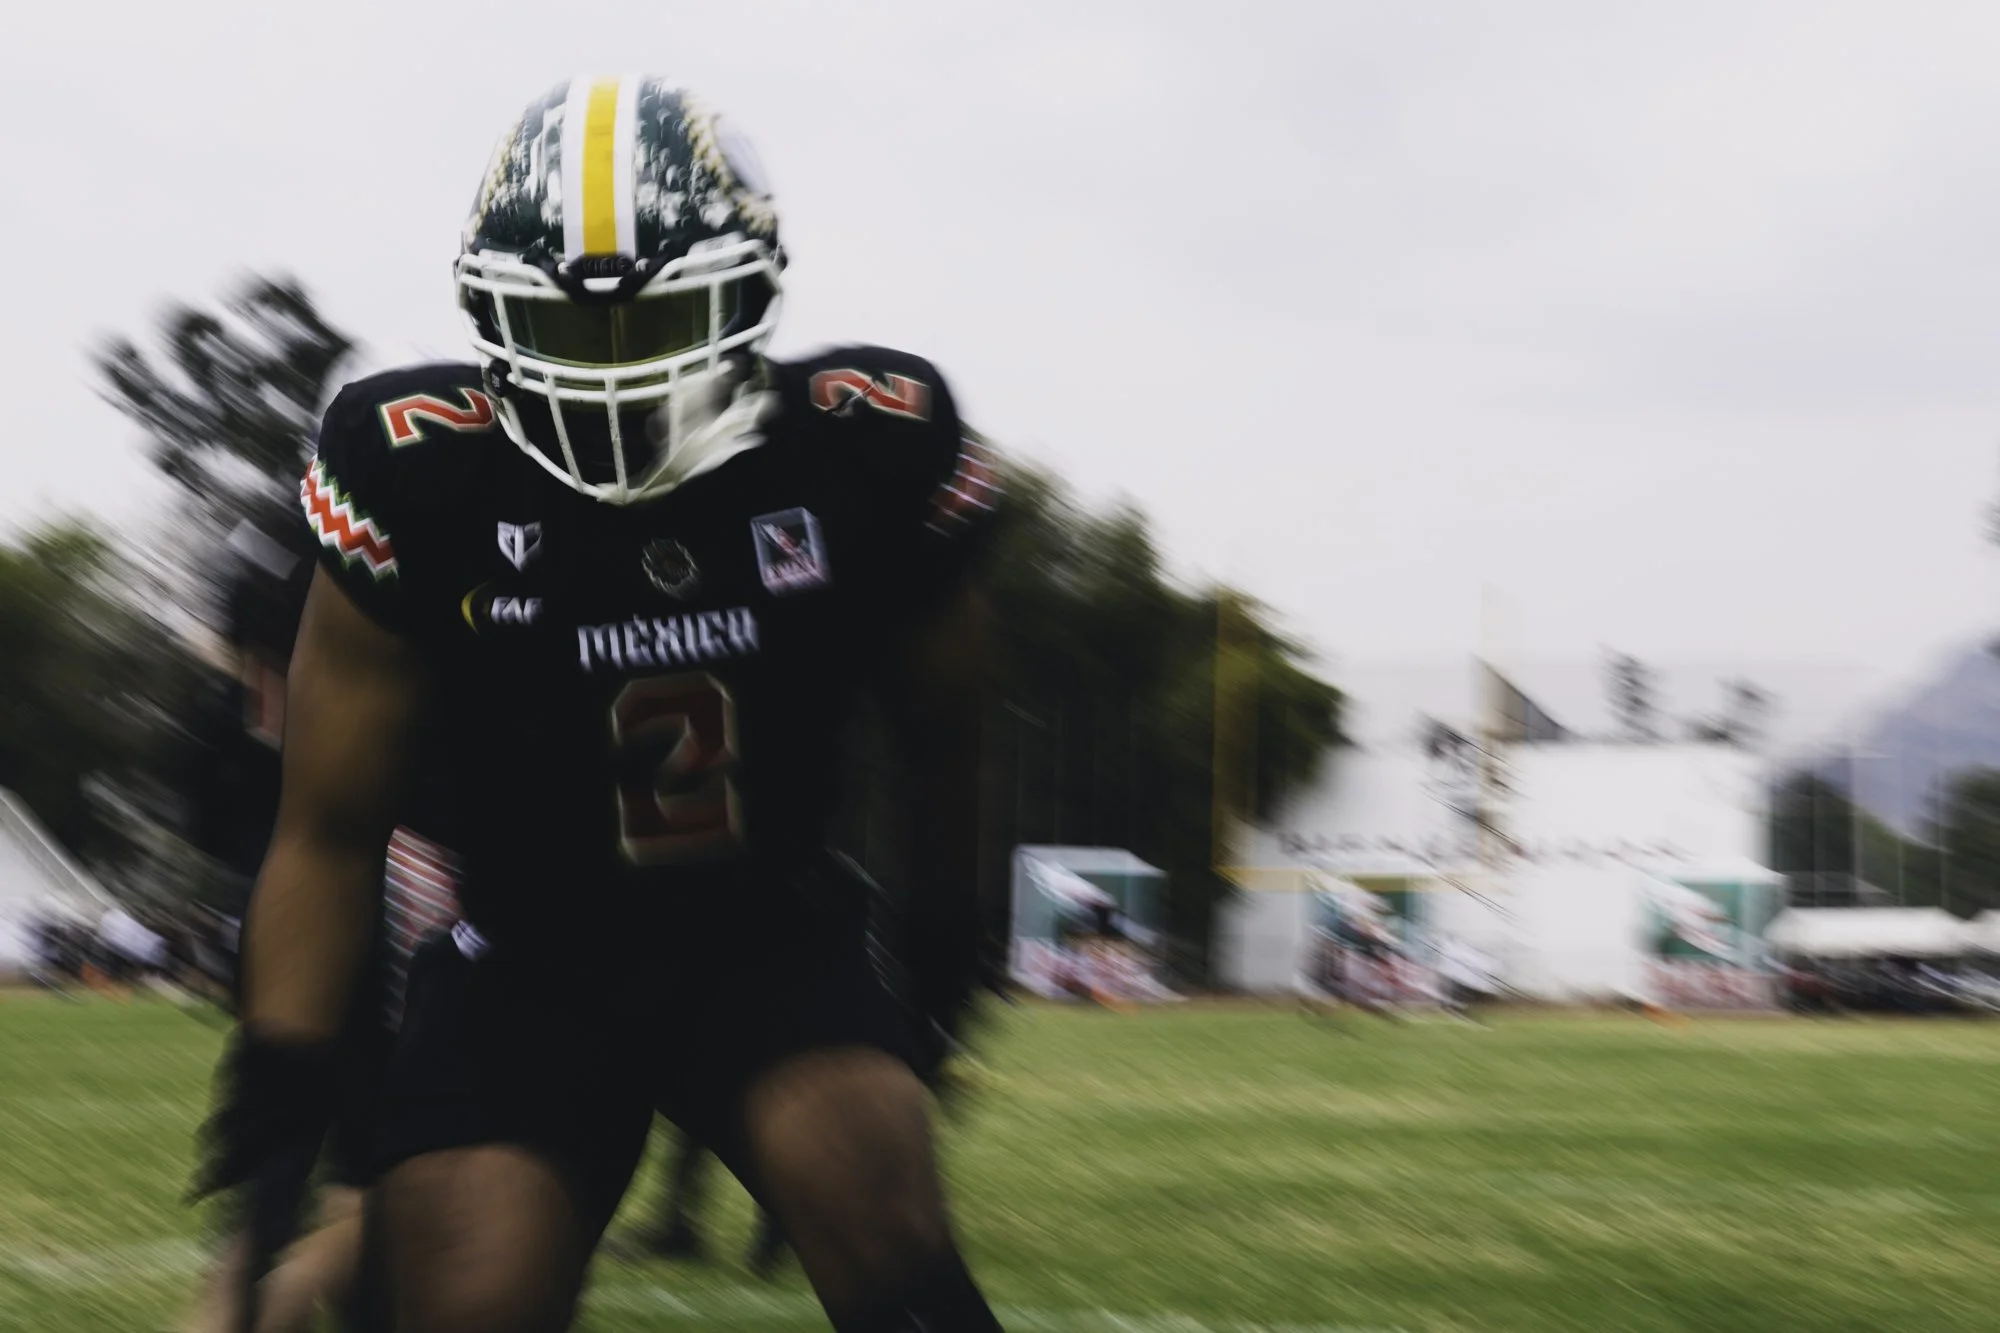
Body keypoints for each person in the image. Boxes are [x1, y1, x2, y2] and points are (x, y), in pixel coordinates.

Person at [203, 75, 1005, 1333]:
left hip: (766, 938)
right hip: (523, 959)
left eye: (659, 321)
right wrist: (283, 1073)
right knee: (465, 1304)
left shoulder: (861, 445)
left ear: (747, 298)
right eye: (570, 335)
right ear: (491, 315)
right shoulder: (416, 471)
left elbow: (945, 738)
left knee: (894, 1253)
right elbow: (328, 829)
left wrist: (948, 934)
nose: (618, 376)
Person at [184, 501, 465, 1333]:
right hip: (360, 920)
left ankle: (257, 1298)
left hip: (320, 931)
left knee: (295, 1200)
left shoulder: (256, 706)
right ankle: (263, 1300)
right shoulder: (366, 675)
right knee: (367, 1198)